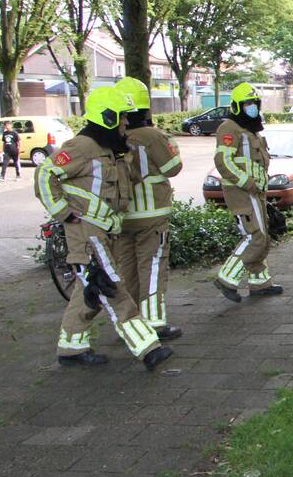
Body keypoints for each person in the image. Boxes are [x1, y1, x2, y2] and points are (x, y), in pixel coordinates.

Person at [34, 86, 173, 370]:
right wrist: (62, 211)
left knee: (90, 291)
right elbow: (45, 174)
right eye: (122, 118)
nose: (126, 123)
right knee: (111, 287)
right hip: (87, 234)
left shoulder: (110, 149)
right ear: (107, 117)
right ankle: (147, 347)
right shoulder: (82, 147)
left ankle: (71, 347)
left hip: (103, 233)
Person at [115, 77, 184, 340]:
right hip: (152, 215)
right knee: (152, 266)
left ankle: (129, 322)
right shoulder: (153, 136)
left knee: (127, 270)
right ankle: (154, 322)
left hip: (123, 216)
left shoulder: (114, 134)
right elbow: (173, 168)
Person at [212, 82, 282, 302]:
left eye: (254, 103)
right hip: (242, 192)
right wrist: (247, 182)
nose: (252, 107)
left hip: (256, 192)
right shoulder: (230, 128)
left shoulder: (250, 129)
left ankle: (260, 281)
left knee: (261, 234)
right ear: (237, 106)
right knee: (255, 236)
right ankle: (227, 278)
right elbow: (223, 160)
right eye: (247, 103)